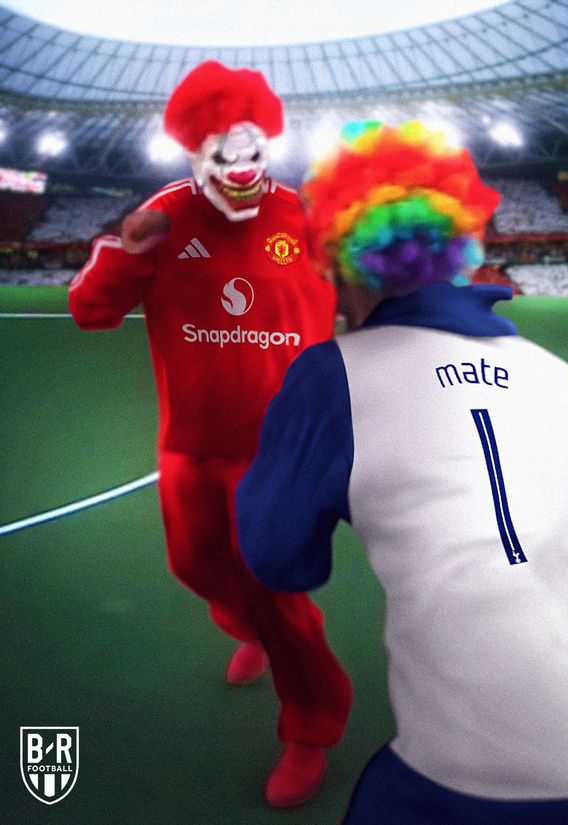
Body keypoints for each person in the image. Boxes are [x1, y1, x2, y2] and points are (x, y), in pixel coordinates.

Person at [235, 120, 568, 823]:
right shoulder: (560, 376)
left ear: (344, 266)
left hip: (478, 771)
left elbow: (278, 558)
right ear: (457, 248)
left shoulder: (331, 376)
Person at [68, 61, 351, 808]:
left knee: (278, 592)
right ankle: (244, 622)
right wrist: (127, 249)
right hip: (190, 446)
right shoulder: (160, 219)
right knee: (195, 565)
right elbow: (90, 311)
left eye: (254, 151)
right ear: (194, 155)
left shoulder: (310, 219)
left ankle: (310, 728)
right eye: (224, 154)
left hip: (280, 453)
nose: (242, 168)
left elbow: (373, 294)